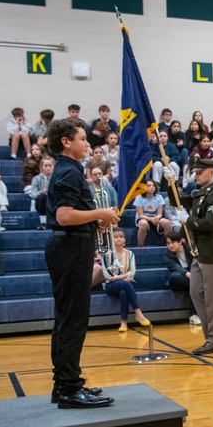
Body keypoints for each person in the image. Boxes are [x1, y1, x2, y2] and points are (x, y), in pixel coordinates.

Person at [45, 117, 121, 408]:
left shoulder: (70, 170)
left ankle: (64, 385)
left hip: (73, 244)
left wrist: (93, 222)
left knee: (67, 319)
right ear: (66, 142)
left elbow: (73, 214)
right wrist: (100, 213)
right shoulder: (68, 171)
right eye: (82, 139)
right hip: (70, 247)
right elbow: (64, 216)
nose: (88, 144)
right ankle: (68, 388)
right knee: (73, 320)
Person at [171, 157, 213, 355]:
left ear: (211, 172)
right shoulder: (200, 194)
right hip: (199, 252)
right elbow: (176, 201)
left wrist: (188, 220)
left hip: (212, 252)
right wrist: (171, 184)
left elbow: (210, 222)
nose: (195, 175)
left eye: (199, 172)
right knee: (196, 292)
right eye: (195, 172)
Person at [100, 230, 150, 333]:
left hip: (125, 283)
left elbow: (133, 271)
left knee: (124, 292)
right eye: (116, 237)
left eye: (121, 237)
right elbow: (107, 275)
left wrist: (119, 277)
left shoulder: (130, 254)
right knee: (127, 284)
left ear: (124, 240)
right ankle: (138, 313)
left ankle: (124, 323)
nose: (119, 238)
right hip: (111, 285)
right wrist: (124, 277)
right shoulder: (106, 255)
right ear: (112, 240)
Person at [164, 231, 200, 325]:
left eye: (172, 242)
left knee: (193, 285)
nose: (170, 245)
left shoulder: (189, 248)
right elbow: (175, 268)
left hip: (191, 279)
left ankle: (194, 316)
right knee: (173, 276)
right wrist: (188, 274)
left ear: (180, 242)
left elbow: (197, 263)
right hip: (179, 280)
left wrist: (193, 276)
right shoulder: (167, 254)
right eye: (168, 243)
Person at [134, 179, 173, 247]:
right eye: (149, 186)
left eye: (153, 186)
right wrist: (151, 219)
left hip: (155, 219)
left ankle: (169, 244)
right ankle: (140, 246)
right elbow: (141, 215)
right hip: (144, 218)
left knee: (167, 222)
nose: (152, 187)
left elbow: (160, 214)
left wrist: (155, 218)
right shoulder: (139, 198)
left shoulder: (159, 197)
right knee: (143, 223)